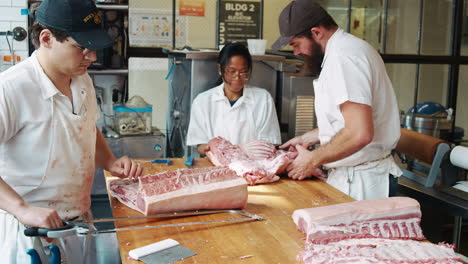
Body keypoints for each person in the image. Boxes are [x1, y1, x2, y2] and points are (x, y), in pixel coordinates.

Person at [0, 0, 143, 263]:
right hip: (30, 233)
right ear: (47, 39)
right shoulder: (11, 89)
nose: (93, 57)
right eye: (81, 48)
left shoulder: (82, 80)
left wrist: (110, 160)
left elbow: (86, 129)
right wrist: (22, 209)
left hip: (77, 225)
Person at [272, 0, 402, 200]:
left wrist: (313, 159)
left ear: (316, 32)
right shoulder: (347, 49)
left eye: (296, 44)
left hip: (363, 183)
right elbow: (349, 121)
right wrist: (312, 136)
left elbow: (359, 133)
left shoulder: (344, 57)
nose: (296, 52)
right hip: (357, 176)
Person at [186, 42, 281, 157]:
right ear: (220, 69)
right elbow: (199, 143)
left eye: (243, 72)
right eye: (231, 72)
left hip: (253, 167)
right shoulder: (203, 101)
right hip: (218, 166)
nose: (237, 77)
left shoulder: (263, 99)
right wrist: (212, 147)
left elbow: (269, 143)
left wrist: (243, 153)